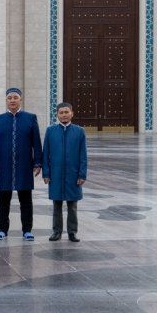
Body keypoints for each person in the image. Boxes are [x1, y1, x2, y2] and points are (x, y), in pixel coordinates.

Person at [0, 87, 43, 241]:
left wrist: (37, 162)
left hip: (24, 166)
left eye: (15, 97)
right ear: (6, 100)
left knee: (26, 200)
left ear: (20, 99)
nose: (12, 100)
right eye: (9, 98)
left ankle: (27, 230)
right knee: (3, 200)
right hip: (4, 167)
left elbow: (36, 142)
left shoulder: (30, 118)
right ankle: (2, 229)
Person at [42, 101, 88, 242]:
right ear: (57, 115)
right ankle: (57, 231)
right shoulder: (50, 131)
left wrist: (82, 174)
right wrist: (46, 173)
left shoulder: (79, 131)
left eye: (66, 112)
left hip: (73, 174)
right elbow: (46, 154)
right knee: (57, 205)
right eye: (61, 113)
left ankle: (72, 232)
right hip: (55, 173)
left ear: (72, 114)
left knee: (72, 206)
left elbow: (83, 155)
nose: (64, 115)